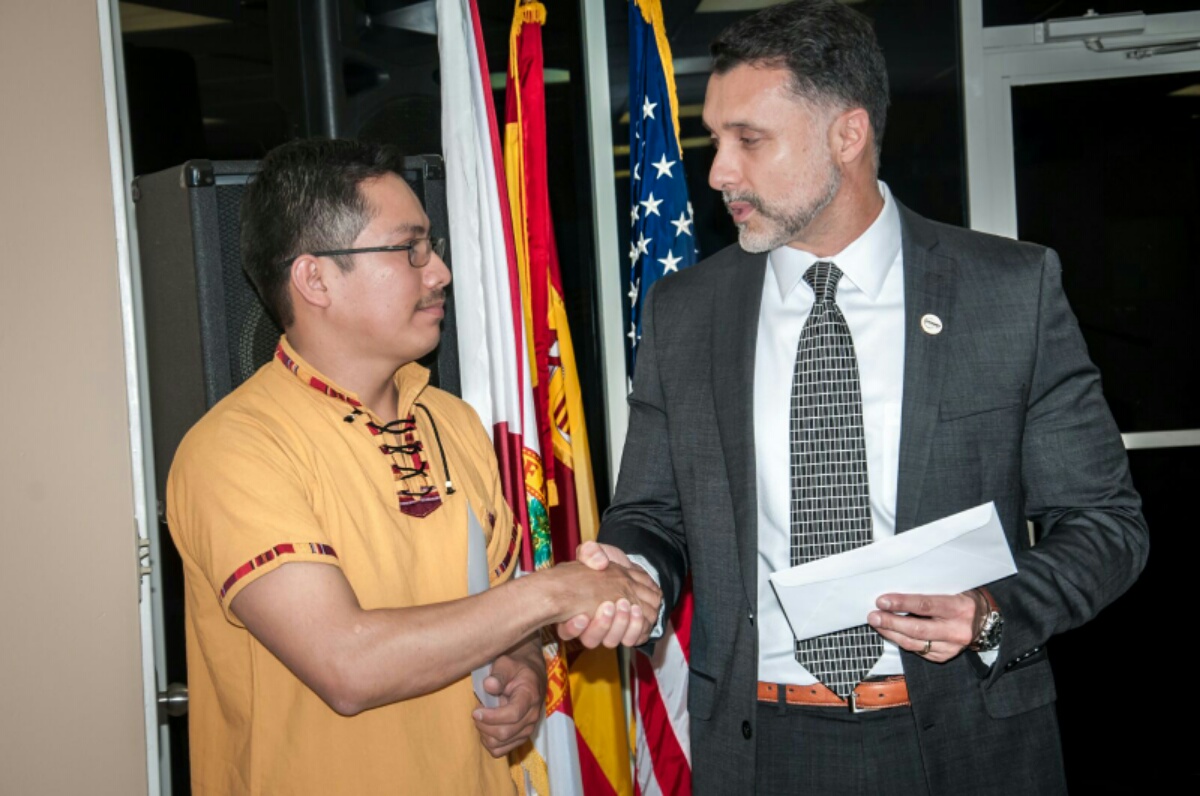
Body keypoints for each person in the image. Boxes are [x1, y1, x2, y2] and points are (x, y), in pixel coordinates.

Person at [561, 1, 1149, 793]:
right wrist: (634, 570)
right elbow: (653, 514)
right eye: (716, 137)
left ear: (847, 134)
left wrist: (991, 611)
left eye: (750, 140)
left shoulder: (1007, 291)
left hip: (967, 741)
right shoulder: (686, 312)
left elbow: (1105, 525)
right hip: (759, 744)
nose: (719, 171)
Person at [165, 138, 660, 795]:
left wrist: (525, 676)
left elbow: (497, 619)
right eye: (410, 250)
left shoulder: (450, 421)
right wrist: (557, 591)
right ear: (314, 279)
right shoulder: (236, 448)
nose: (440, 272)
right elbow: (347, 665)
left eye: (433, 247)